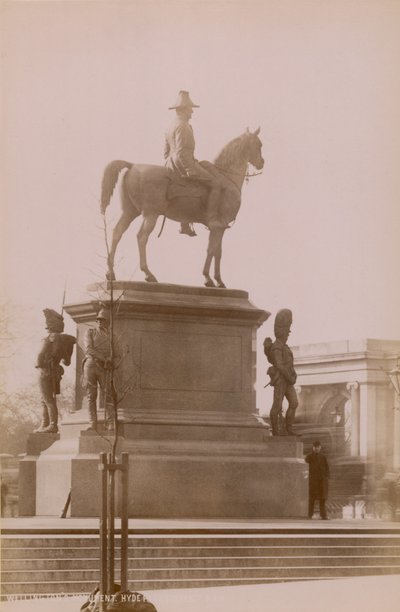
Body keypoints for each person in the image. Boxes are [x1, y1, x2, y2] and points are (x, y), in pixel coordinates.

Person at [164, 90, 225, 236]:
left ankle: (184, 223)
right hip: (183, 163)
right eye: (190, 109)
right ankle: (212, 220)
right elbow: (182, 152)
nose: (192, 112)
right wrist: (189, 168)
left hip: (170, 163)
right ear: (183, 110)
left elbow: (166, 152)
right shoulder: (183, 126)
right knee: (215, 184)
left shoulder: (170, 126)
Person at [34, 309, 76, 434]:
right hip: (56, 372)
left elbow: (40, 356)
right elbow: (67, 361)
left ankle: (51, 424)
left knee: (46, 399)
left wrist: (38, 364)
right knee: (48, 399)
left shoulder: (47, 339)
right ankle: (46, 424)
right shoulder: (64, 341)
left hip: (45, 371)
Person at [82, 308, 120, 432]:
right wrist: (105, 359)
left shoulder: (112, 337)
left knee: (108, 395)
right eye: (98, 319)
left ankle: (110, 423)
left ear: (107, 321)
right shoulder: (90, 332)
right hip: (91, 365)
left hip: (105, 369)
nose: (99, 322)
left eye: (102, 320)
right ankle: (92, 423)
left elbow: (118, 354)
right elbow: (89, 349)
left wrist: (112, 363)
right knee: (91, 396)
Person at [264, 308, 298, 436]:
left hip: (288, 379)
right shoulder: (277, 346)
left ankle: (289, 428)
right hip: (281, 379)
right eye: (287, 328)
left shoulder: (285, 347)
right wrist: (290, 377)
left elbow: (289, 364)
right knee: (277, 406)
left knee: (294, 403)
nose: (289, 332)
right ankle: (276, 432)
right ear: (282, 330)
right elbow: (279, 364)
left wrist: (293, 375)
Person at [305, 440, 330, 520]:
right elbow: (305, 468)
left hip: (322, 481)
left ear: (320, 447)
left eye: (318, 447)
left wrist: (326, 477)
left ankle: (323, 515)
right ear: (313, 448)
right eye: (315, 447)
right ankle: (309, 515)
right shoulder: (309, 457)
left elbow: (327, 468)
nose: (317, 448)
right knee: (311, 498)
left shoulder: (323, 457)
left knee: (322, 499)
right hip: (313, 481)